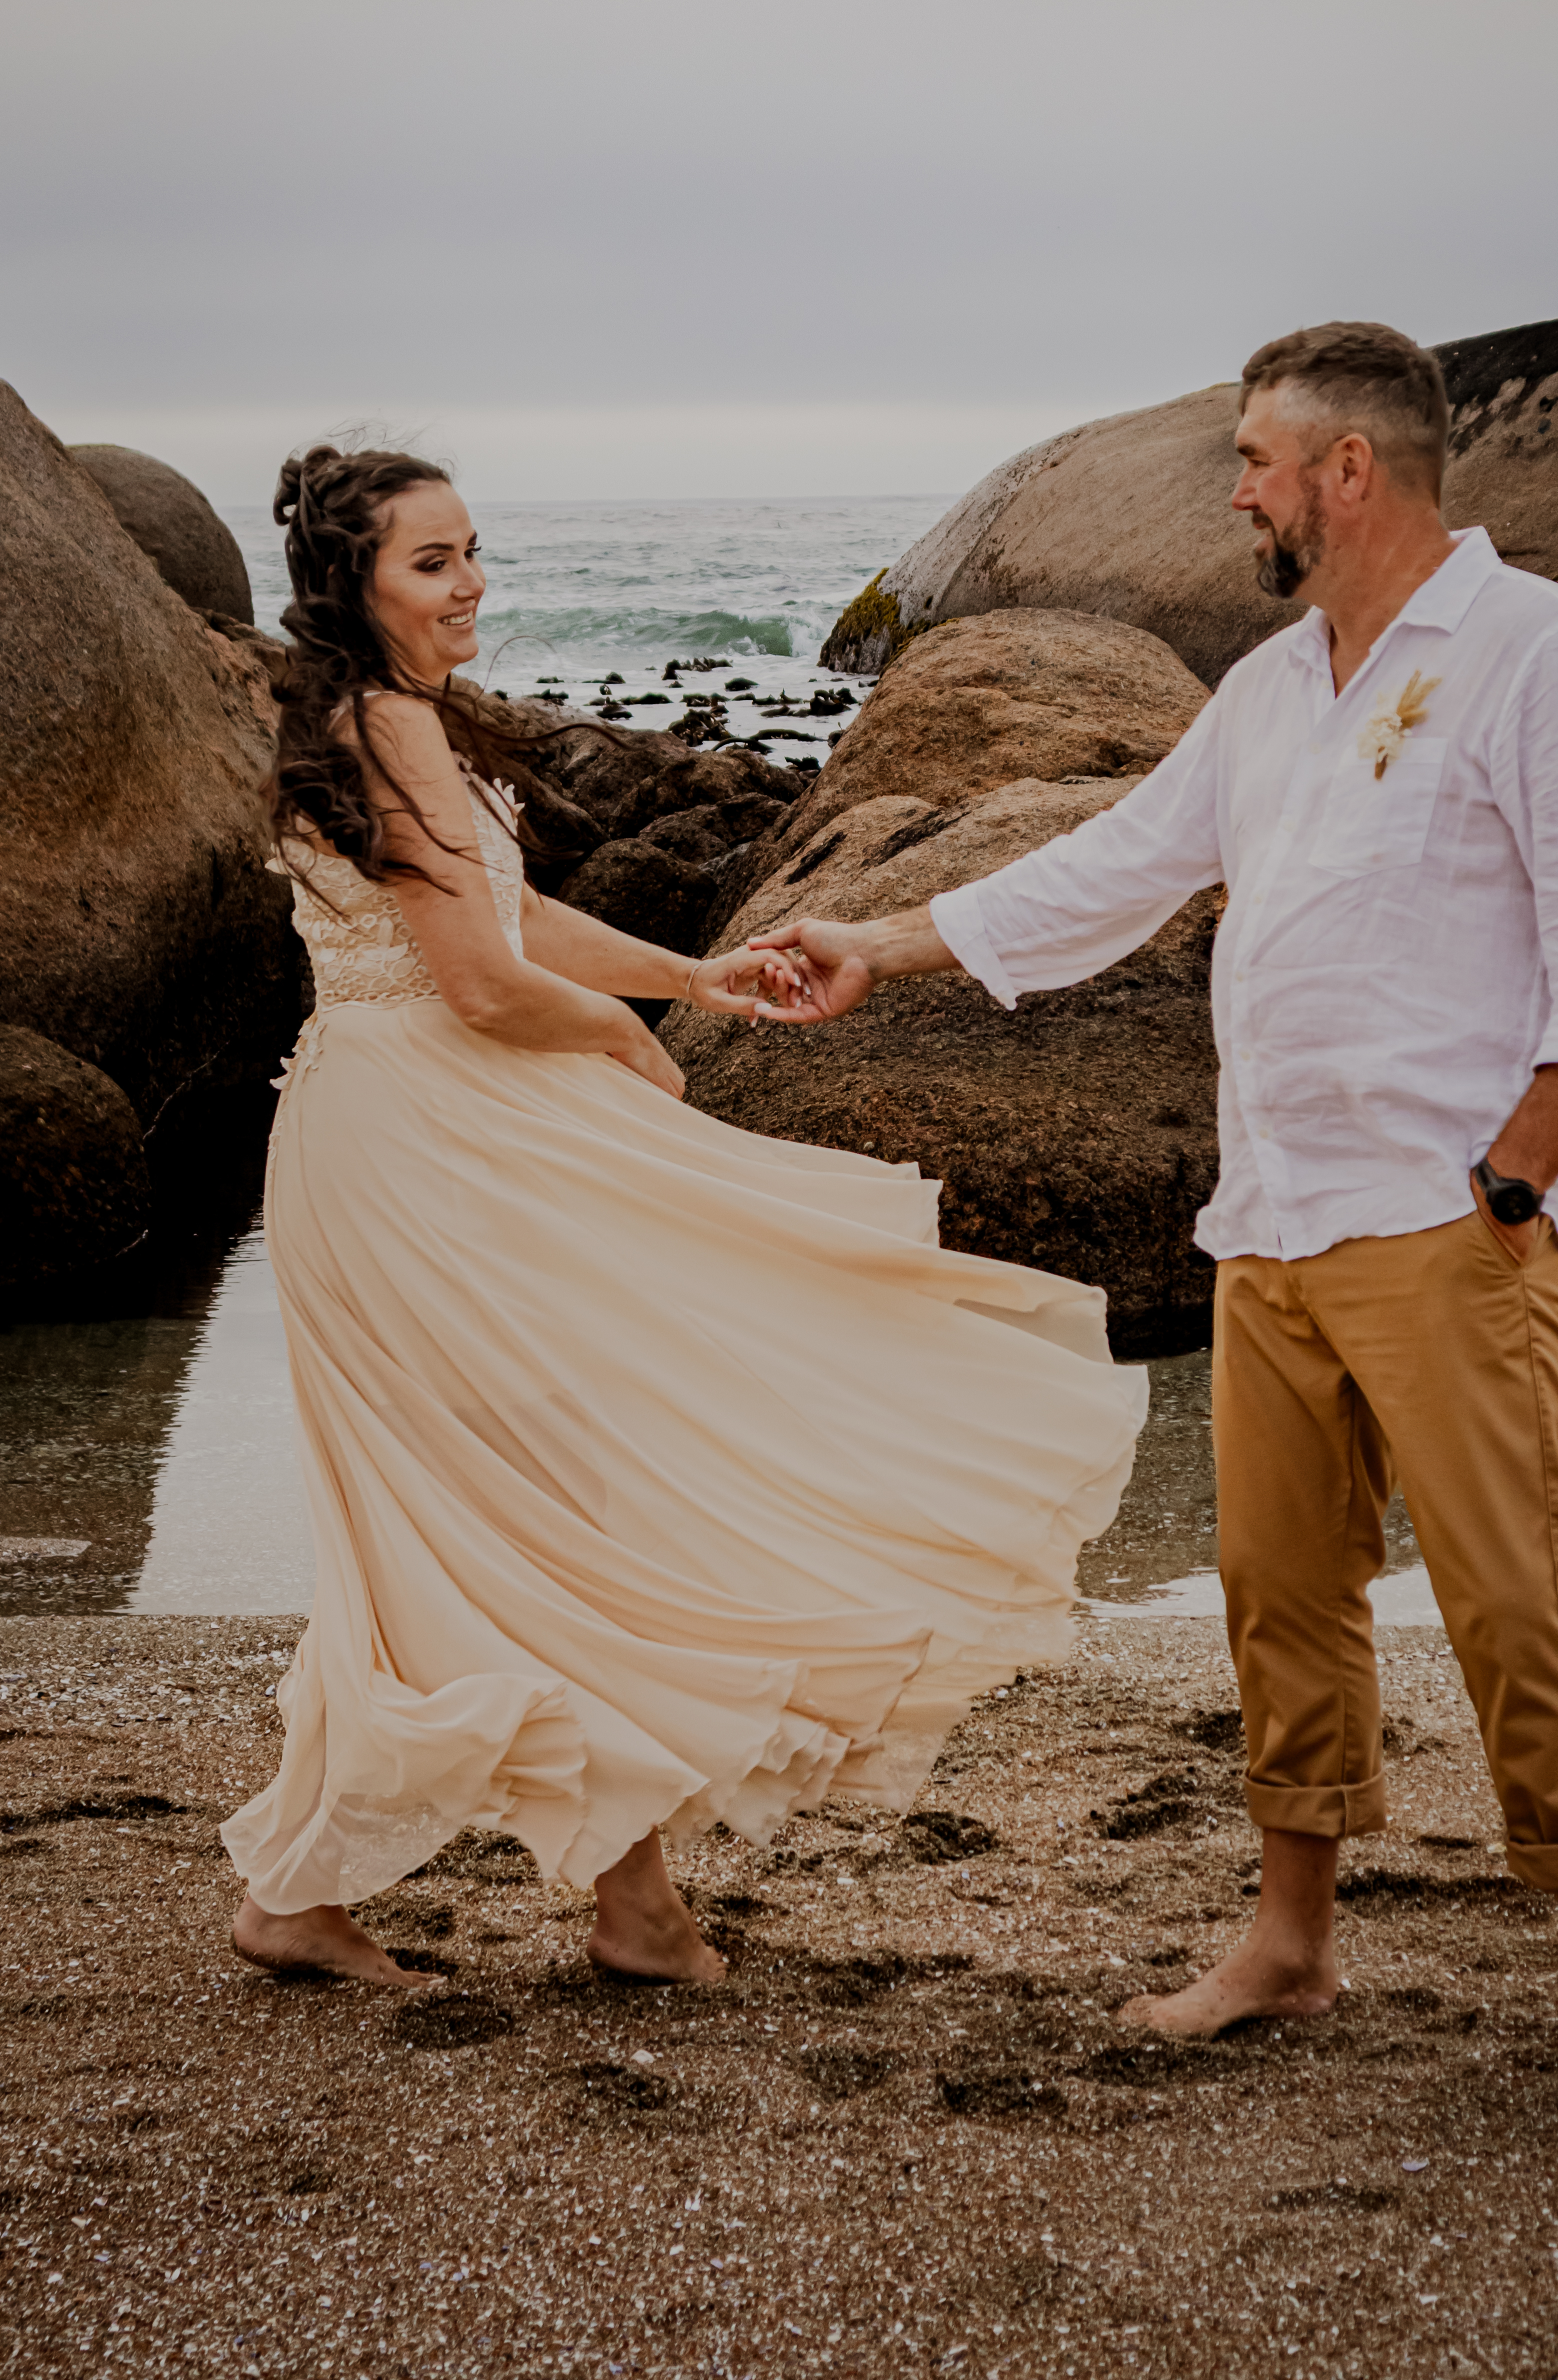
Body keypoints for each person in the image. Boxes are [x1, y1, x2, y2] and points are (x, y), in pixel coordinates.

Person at [758, 322, 1558, 2136]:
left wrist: (1513, 1182)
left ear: (1352, 470)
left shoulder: (1541, 658)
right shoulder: (1279, 684)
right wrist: (883, 945)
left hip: (1448, 1227)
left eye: (1261, 458)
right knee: (1282, 1596)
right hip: (1268, 1217)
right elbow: (1116, 861)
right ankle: (1290, 1943)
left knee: (1518, 1610)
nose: (1240, 490)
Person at [223, 444, 1146, 1990]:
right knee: (535, 1492)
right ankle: (608, 1905)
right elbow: (483, 980)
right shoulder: (388, 725)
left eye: (473, 553)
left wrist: (689, 975)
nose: (472, 586)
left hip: (401, 1127)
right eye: (434, 562)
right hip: (420, 1147)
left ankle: (396, 1893)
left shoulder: (374, 719)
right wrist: (621, 1040)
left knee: (494, 1499)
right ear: (358, 582)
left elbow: (514, 921)